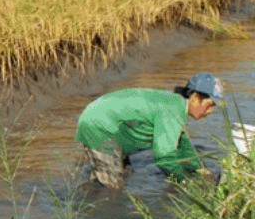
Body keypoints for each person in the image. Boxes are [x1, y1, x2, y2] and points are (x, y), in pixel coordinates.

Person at [76, 72, 222, 188]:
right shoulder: (173, 109)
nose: (211, 112)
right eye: (210, 105)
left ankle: (87, 194)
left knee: (123, 173)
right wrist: (184, 182)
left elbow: (181, 144)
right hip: (100, 125)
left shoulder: (176, 105)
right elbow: (164, 158)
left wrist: (199, 169)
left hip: (103, 120)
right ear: (196, 98)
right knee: (113, 187)